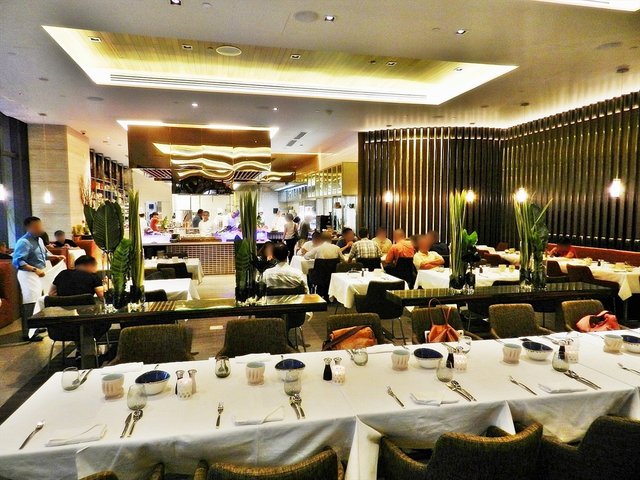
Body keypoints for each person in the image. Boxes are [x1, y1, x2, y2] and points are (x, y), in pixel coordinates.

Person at [13, 216, 65, 341]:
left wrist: (55, 257)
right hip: (28, 275)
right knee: (30, 302)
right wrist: (35, 270)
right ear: (28, 228)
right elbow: (18, 261)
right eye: (36, 227)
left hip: (40, 274)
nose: (40, 228)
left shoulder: (39, 240)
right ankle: (28, 332)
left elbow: (43, 255)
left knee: (40, 300)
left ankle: (37, 326)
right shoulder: (23, 242)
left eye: (40, 226)